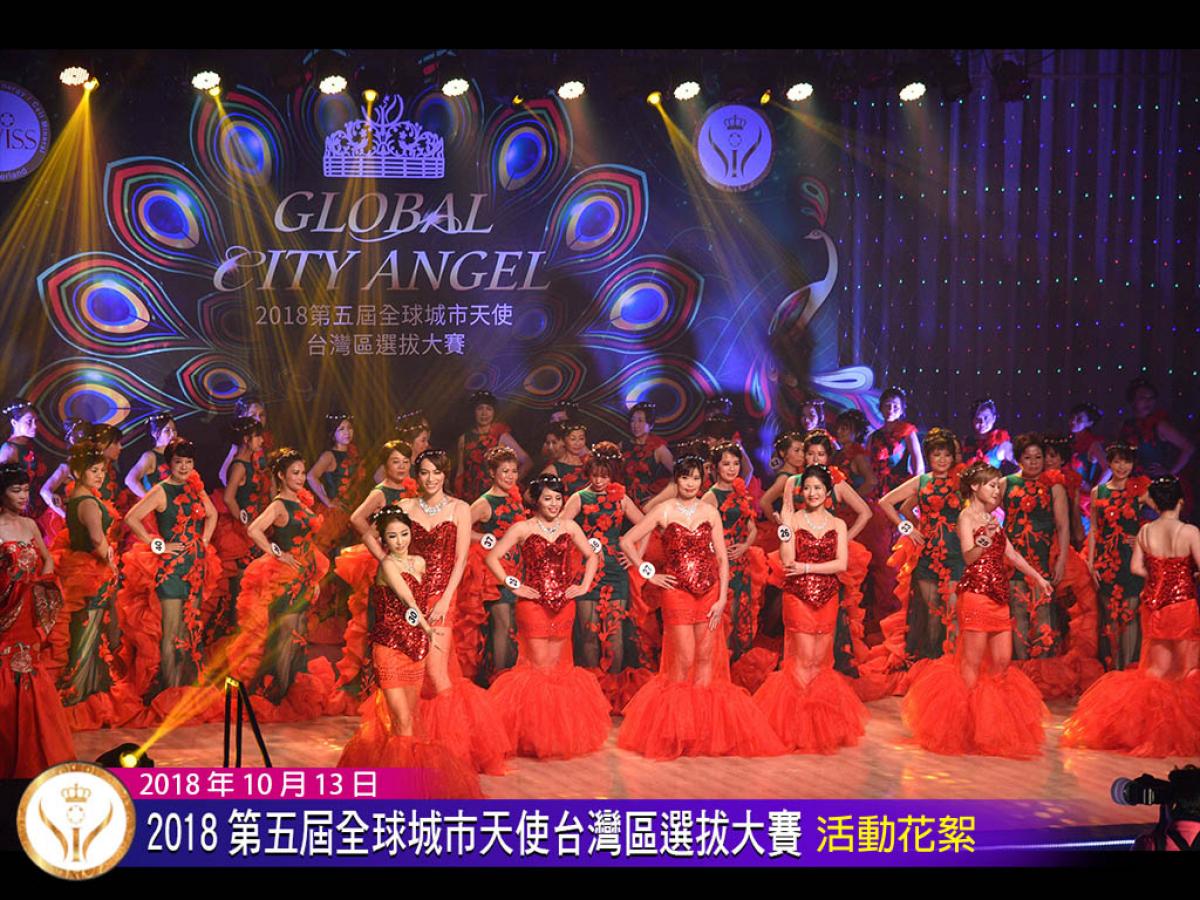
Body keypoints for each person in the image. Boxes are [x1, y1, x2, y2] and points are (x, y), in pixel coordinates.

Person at [617, 457, 786, 760]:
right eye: (685, 478)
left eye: (695, 478)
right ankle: (678, 732)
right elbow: (628, 541)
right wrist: (649, 573)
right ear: (677, 480)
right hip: (677, 593)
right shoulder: (664, 510)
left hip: (709, 592)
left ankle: (702, 733)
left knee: (706, 659)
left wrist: (721, 599)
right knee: (683, 660)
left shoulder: (709, 512)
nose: (690, 483)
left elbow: (721, 558)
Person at [902, 462, 1052, 759]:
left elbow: (1010, 553)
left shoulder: (993, 518)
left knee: (1002, 662)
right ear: (975, 487)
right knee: (970, 665)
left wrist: (1038, 577)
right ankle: (964, 729)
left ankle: (991, 727)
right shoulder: (966, 517)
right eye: (992, 485)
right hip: (975, 595)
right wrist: (984, 538)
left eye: (998, 486)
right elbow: (970, 557)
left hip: (998, 596)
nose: (997, 491)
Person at [336, 506, 482, 798]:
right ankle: (400, 792)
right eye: (392, 536)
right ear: (383, 539)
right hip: (389, 647)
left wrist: (430, 626)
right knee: (401, 721)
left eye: (404, 534)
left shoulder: (420, 561)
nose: (400, 541)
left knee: (411, 721)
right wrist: (429, 628)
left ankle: (411, 785)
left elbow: (426, 597)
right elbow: (407, 598)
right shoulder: (387, 565)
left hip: (415, 649)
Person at [1063, 476, 1200, 757]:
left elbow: (1136, 568)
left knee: (1155, 671)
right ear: (1181, 501)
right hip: (1181, 605)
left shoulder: (1145, 531)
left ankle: (1147, 731)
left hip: (1153, 605)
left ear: (1156, 503)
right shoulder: (1189, 532)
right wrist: (1187, 575)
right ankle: (1179, 735)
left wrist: (1158, 577)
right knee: (1186, 670)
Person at [401, 449, 512, 774]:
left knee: (437, 674)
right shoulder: (405, 507)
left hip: (441, 598)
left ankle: (455, 750)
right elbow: (392, 550)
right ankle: (417, 744)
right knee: (412, 674)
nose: (431, 478)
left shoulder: (459, 508)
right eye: (424, 472)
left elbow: (461, 559)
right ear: (417, 475)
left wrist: (445, 599)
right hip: (409, 597)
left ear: (445, 474)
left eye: (436, 472)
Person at [485, 475, 611, 758]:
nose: (554, 504)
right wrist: (514, 585)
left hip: (564, 605)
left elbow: (592, 556)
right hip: (533, 605)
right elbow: (492, 557)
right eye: (547, 498)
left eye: (557, 498)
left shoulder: (570, 526)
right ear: (536, 500)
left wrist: (584, 586)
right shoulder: (523, 528)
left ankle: (554, 736)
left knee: (557, 669)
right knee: (539, 669)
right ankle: (533, 737)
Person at [754, 465, 867, 752]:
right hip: (798, 598)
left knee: (820, 662)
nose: (812, 493)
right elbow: (787, 560)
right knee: (802, 660)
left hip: (828, 597)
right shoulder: (792, 522)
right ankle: (797, 726)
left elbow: (841, 563)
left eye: (817, 488)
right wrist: (786, 524)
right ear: (801, 491)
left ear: (827, 492)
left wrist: (806, 567)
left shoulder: (838, 525)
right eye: (807, 488)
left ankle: (818, 726)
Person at [222, 448, 335, 721]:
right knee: (285, 637)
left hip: (303, 577)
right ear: (282, 476)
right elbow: (254, 530)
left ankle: (284, 692)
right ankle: (275, 696)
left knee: (296, 637)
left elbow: (307, 543)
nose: (301, 477)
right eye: (295, 473)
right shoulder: (279, 504)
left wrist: (314, 578)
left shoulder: (300, 501)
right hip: (285, 580)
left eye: (303, 472)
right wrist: (277, 553)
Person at [120, 437, 220, 711]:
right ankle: (169, 691)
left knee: (189, 628)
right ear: (169, 464)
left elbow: (212, 515)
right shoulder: (161, 490)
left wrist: (204, 541)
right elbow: (131, 518)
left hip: (196, 566)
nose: (184, 467)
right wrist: (157, 544)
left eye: (189, 462)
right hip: (172, 569)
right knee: (171, 630)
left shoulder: (195, 487)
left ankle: (184, 688)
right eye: (179, 462)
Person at [331, 439, 420, 706]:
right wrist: (379, 547)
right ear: (385, 465)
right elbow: (356, 518)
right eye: (395, 462)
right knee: (379, 622)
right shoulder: (381, 492)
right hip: (383, 564)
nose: (401, 467)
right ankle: (373, 687)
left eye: (405, 462)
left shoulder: (411, 489)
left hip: (407, 561)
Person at [0, 462, 75, 778]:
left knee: (29, 670)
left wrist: (38, 582)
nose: (22, 496)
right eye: (15, 490)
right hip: (6, 614)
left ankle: (33, 755)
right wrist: (14, 585)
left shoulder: (30, 525)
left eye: (25, 490)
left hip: (29, 612)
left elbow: (46, 560)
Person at [873, 428, 966, 680]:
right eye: (936, 455)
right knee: (932, 616)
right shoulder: (922, 481)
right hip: (927, 556)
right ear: (929, 456)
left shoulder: (962, 481)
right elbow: (886, 502)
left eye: (947, 455)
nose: (942, 460)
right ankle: (932, 672)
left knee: (954, 613)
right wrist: (909, 529)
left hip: (956, 555)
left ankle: (954, 670)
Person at [48, 441, 129, 730]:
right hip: (91, 573)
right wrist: (111, 562)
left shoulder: (77, 497)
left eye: (102, 470)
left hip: (81, 570)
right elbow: (97, 539)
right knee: (88, 634)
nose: (100, 475)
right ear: (79, 472)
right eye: (94, 471)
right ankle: (77, 698)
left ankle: (88, 692)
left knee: (89, 633)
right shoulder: (88, 503)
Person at [562, 442, 645, 673]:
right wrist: (581, 546)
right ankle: (594, 683)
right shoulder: (579, 497)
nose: (599, 481)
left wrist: (636, 555)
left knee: (614, 633)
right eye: (595, 475)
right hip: (586, 571)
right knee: (589, 632)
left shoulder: (621, 498)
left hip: (615, 571)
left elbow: (646, 525)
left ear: (612, 475)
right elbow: (560, 529)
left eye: (605, 476)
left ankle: (613, 684)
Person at [1000, 434, 1071, 671]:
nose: (1033, 462)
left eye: (1038, 457)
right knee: (1017, 613)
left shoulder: (1054, 485)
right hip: (1013, 560)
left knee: (1043, 615)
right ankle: (1019, 671)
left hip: (1043, 559)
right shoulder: (1006, 483)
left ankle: (1042, 672)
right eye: (1028, 457)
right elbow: (983, 508)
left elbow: (1063, 526)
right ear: (1019, 459)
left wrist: (1061, 560)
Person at [463, 446, 527, 680]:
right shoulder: (484, 502)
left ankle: (510, 680)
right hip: (495, 572)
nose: (510, 476)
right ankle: (499, 680)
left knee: (513, 626)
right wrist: (483, 538)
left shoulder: (514, 498)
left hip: (517, 568)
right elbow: (458, 528)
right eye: (505, 471)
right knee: (502, 624)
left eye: (514, 471)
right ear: (492, 473)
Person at [1090, 441, 1151, 671]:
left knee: (1130, 615)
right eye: (1117, 461)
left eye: (1127, 461)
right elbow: (1094, 529)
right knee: (1110, 617)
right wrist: (1090, 562)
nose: (1122, 466)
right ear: (1109, 463)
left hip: (1131, 560)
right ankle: (1114, 671)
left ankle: (1128, 671)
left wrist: (1143, 537)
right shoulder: (1099, 492)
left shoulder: (1140, 490)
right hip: (1106, 561)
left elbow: (1167, 512)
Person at [703, 441, 766, 658]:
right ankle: (723, 662)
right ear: (715, 467)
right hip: (721, 563)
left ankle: (736, 660)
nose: (732, 468)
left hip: (741, 561)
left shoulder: (740, 492)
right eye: (726, 464)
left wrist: (744, 546)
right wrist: (719, 550)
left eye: (736, 463)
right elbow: (701, 533)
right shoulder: (710, 497)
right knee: (726, 612)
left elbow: (753, 529)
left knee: (740, 610)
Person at [209, 416, 267, 643]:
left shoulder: (250, 463)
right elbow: (229, 497)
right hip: (241, 532)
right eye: (257, 437)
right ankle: (236, 635)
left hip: (252, 529)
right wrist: (243, 520)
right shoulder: (239, 466)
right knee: (242, 585)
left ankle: (247, 633)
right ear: (246, 439)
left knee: (251, 583)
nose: (261, 441)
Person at [455, 390, 531, 502]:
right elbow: (460, 472)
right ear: (474, 411)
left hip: (495, 496)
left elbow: (527, 461)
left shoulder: (501, 435)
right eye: (480, 408)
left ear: (494, 412)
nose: (484, 413)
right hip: (470, 495)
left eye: (489, 409)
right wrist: (457, 497)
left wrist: (509, 482)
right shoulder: (464, 438)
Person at [307, 411, 364, 554]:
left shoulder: (354, 453)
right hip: (335, 514)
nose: (347, 432)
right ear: (333, 433)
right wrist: (327, 501)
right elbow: (311, 476)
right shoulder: (329, 455)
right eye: (341, 429)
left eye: (349, 428)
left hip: (353, 509)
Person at [1118, 377, 1195, 479]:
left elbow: (1189, 448)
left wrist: (1170, 472)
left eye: (1151, 398)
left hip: (1156, 484)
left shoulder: (1159, 425)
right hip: (1131, 482)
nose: (1148, 401)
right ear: (1133, 401)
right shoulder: (1127, 425)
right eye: (1143, 397)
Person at [36, 417, 91, 546]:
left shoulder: (91, 467)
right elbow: (45, 491)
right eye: (82, 441)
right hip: (65, 520)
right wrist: (64, 514)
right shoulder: (66, 468)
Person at [0, 399, 49, 533]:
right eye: (29, 422)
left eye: (36, 421)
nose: (34, 426)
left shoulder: (29, 445)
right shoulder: (9, 449)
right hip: (20, 510)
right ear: (14, 423)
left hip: (36, 506)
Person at [622, 401, 674, 507]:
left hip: (647, 502)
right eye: (632, 421)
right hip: (625, 500)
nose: (635, 425)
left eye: (640, 421)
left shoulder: (659, 448)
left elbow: (679, 473)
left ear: (651, 425)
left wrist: (661, 495)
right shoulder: (624, 445)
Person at [217, 396, 270, 486]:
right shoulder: (235, 446)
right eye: (253, 415)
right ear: (242, 417)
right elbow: (223, 477)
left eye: (261, 415)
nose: (258, 419)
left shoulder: (263, 443)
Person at [124, 412, 176, 498]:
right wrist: (150, 501)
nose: (173, 434)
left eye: (174, 430)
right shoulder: (150, 456)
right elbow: (130, 480)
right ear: (154, 433)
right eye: (167, 431)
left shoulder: (175, 455)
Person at [833, 409, 878, 498]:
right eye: (838, 428)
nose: (838, 431)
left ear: (857, 433)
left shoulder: (858, 457)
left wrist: (852, 500)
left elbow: (872, 481)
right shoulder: (836, 454)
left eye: (843, 429)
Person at [961, 398, 1015, 472]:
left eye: (986, 418)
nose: (982, 423)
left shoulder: (1001, 443)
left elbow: (1021, 463)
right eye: (978, 419)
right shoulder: (966, 442)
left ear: (994, 418)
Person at [541, 420, 590, 498]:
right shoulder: (555, 469)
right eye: (573, 439)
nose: (578, 443)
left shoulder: (589, 465)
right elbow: (529, 495)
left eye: (581, 438)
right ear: (563, 441)